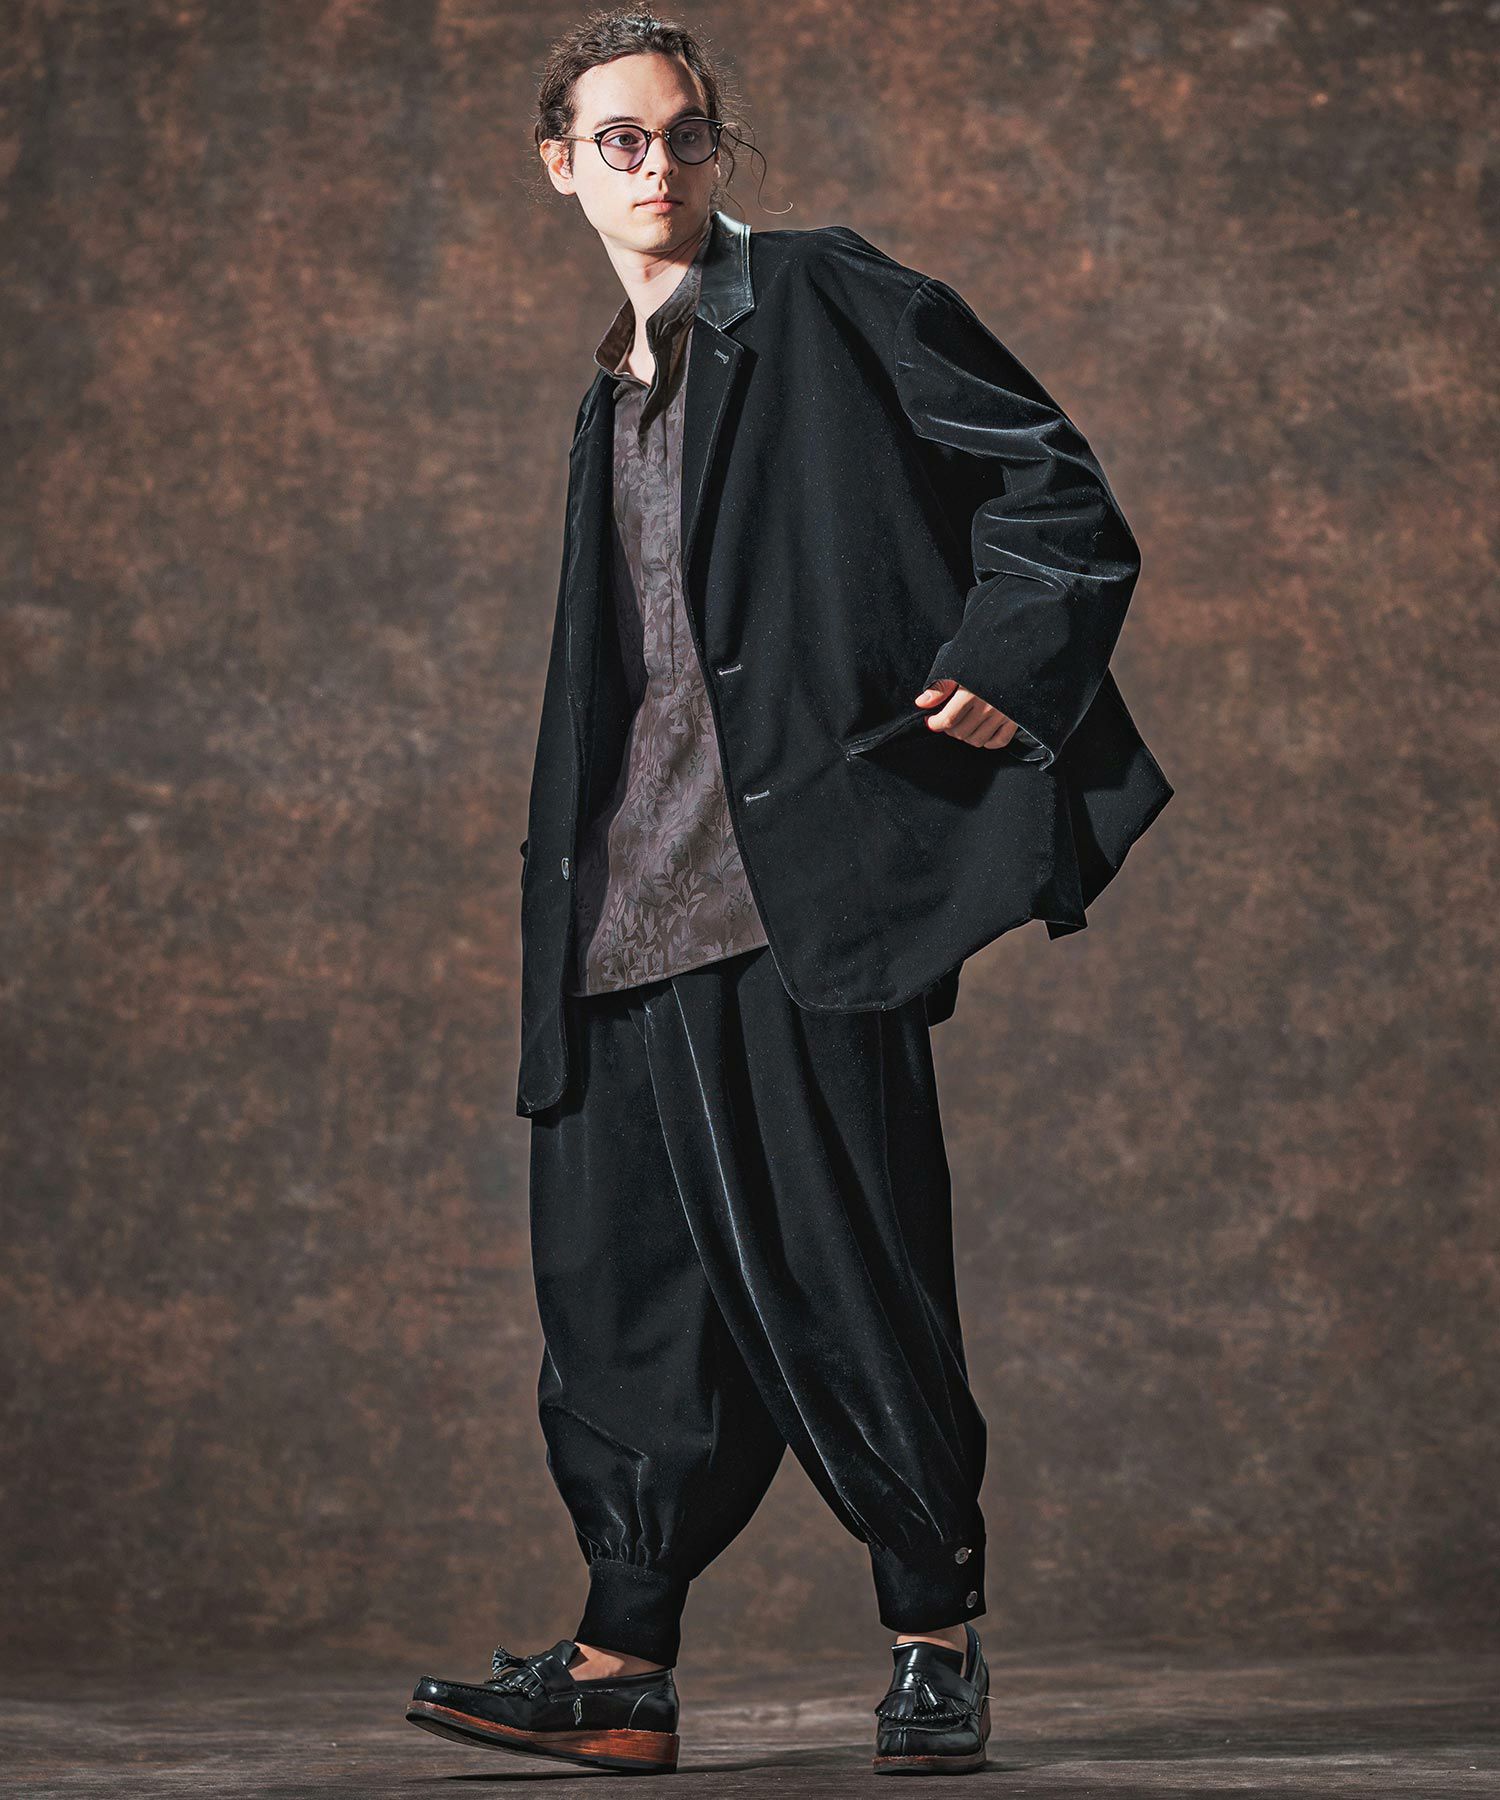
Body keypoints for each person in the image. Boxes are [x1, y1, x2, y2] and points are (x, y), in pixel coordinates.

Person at [407, 8, 1171, 1779]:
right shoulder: (611, 386)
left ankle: (931, 1638)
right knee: (621, 1304)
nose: (657, 166)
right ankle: (621, 1666)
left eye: (685, 133)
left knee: (851, 1270)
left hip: (793, 904)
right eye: (620, 139)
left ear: (715, 148)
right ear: (559, 165)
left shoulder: (822, 293)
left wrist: (1012, 658)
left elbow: (1052, 482)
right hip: (617, 918)